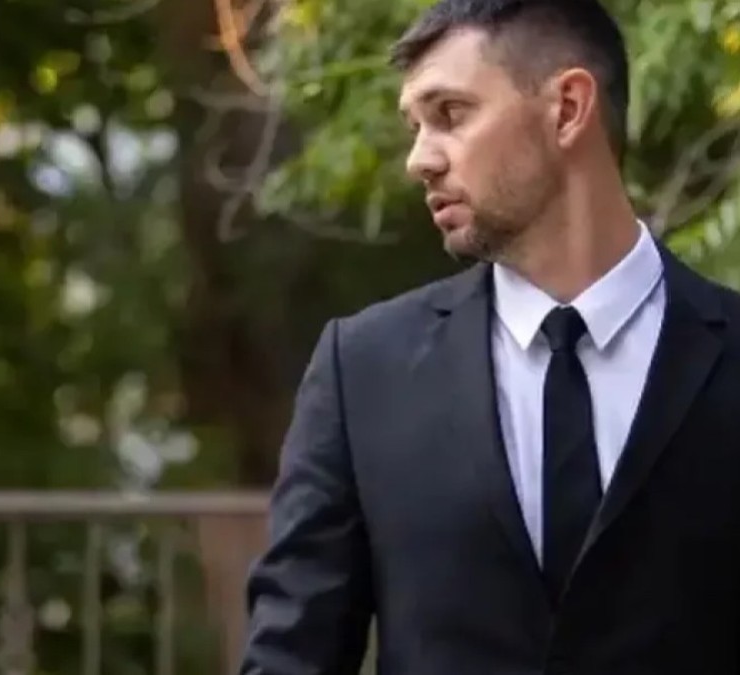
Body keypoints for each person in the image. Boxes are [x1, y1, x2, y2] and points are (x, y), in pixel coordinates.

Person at [240, 0, 740, 673]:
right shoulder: (362, 371)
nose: (419, 159)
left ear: (567, 108)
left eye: (450, 114)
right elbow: (291, 657)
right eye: (415, 127)